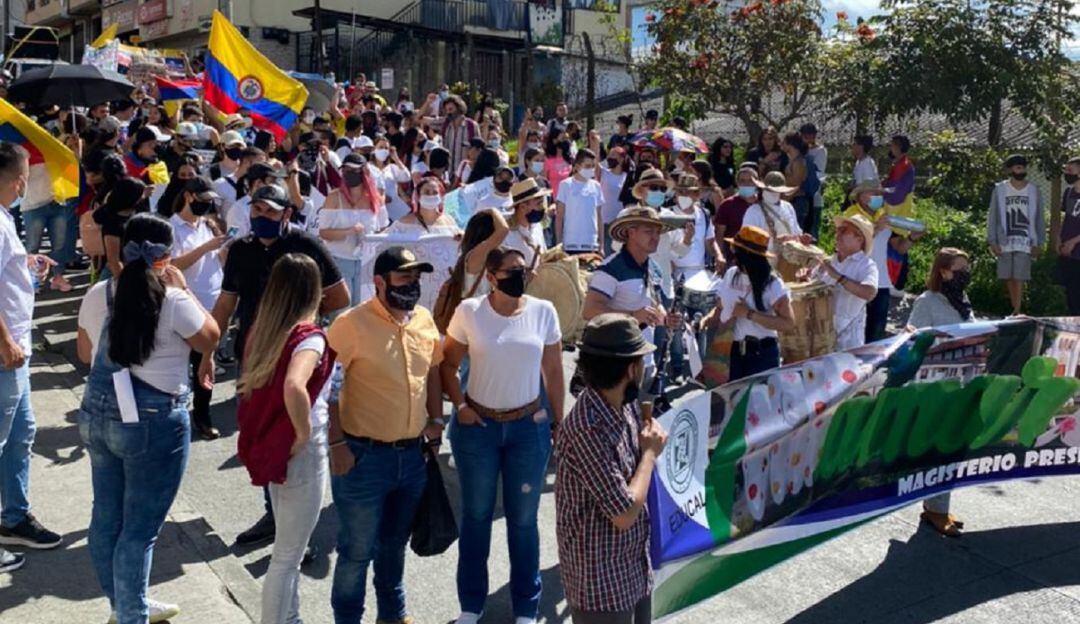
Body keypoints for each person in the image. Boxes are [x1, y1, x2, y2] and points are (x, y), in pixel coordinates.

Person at [75, 213, 220, 623]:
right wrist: (185, 288)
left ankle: (124, 604)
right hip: (153, 420)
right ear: (166, 256)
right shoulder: (173, 300)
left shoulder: (99, 293)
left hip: (97, 412)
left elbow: (85, 354)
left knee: (106, 518)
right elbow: (210, 337)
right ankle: (131, 613)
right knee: (139, 530)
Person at [201, 183, 349, 547]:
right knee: (262, 432)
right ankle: (275, 514)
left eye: (270, 210)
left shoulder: (306, 245)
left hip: (297, 354)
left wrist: (302, 318)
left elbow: (340, 296)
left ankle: (295, 531)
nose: (262, 216)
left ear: (287, 213)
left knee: (295, 438)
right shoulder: (241, 250)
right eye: (257, 210)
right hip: (253, 355)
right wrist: (207, 351)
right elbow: (226, 304)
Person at [441, 247, 565, 624]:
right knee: (477, 516)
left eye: (522, 269)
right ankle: (471, 604)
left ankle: (526, 606)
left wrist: (559, 423)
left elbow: (554, 372)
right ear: (492, 277)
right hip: (478, 429)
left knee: (523, 521)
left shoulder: (543, 311)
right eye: (511, 270)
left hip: (527, 429)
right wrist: (459, 406)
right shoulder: (469, 312)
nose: (519, 275)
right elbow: (448, 364)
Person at [326, 246, 444, 624]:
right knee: (356, 551)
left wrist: (436, 421)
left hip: (412, 457)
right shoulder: (350, 325)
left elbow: (433, 371)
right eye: (403, 276)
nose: (412, 284)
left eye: (416, 277)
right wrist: (336, 444)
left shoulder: (423, 319)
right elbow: (327, 389)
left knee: (394, 545)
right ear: (379, 282)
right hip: (363, 458)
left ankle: (393, 615)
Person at [236, 254, 336, 624]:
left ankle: (290, 618)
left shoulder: (264, 329)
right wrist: (304, 432)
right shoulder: (310, 338)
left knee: (286, 549)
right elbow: (295, 384)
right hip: (302, 448)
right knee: (288, 557)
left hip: (273, 443)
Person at [556, 314, 668, 624]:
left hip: (632, 569)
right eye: (641, 361)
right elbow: (624, 513)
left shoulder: (622, 404)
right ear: (631, 369)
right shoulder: (587, 428)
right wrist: (650, 454)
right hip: (601, 586)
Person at [0, 144, 62, 574]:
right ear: (20, 181)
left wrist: (26, 262)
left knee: (21, 435)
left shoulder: (5, 216)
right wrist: (5, 341)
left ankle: (13, 518)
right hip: (6, 350)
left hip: (15, 347)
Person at [905, 247, 974, 537]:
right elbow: (913, 340)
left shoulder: (962, 300)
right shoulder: (927, 301)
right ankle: (936, 509)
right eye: (960, 269)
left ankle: (938, 505)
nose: (965, 275)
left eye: (967, 269)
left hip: (959, 384)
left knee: (951, 447)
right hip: (934, 387)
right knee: (939, 448)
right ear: (944, 271)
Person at [169, 177, 228, 440]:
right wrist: (205, 248)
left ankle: (202, 416)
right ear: (188, 197)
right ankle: (177, 416)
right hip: (185, 304)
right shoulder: (173, 227)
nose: (206, 206)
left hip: (212, 302)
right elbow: (172, 266)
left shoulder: (208, 225)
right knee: (182, 363)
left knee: (207, 361)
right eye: (202, 201)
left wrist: (223, 249)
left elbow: (218, 261)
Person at [712, 225, 795, 380]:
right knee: (731, 396)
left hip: (761, 355)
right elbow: (720, 306)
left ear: (747, 254)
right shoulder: (731, 274)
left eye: (736, 248)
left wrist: (749, 314)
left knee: (758, 396)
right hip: (732, 352)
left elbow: (788, 323)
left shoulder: (773, 284)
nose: (732, 251)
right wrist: (705, 321)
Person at [320, 154, 389, 306]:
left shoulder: (375, 199)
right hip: (339, 260)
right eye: (345, 170)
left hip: (367, 263)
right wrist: (348, 231)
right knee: (341, 310)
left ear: (364, 172)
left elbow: (384, 229)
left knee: (364, 308)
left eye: (354, 170)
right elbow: (324, 233)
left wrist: (370, 239)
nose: (349, 174)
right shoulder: (334, 197)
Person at [810, 212, 878, 350]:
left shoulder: (867, 265)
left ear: (859, 238)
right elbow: (810, 292)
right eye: (838, 230)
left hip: (848, 344)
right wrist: (804, 279)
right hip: (819, 339)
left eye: (844, 230)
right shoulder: (828, 261)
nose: (838, 234)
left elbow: (869, 293)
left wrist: (839, 277)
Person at [988, 154, 1045, 316]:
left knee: (1020, 276)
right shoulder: (1000, 189)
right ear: (1010, 169)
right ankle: (1015, 309)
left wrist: (1039, 242)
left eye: (1023, 167)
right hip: (1004, 239)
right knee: (1008, 276)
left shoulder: (1033, 190)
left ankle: (1017, 310)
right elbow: (993, 216)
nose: (1020, 169)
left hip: (1026, 239)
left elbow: (1040, 217)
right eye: (1017, 166)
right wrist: (992, 241)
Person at [844, 183, 896, 344]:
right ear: (860, 196)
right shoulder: (851, 215)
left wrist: (911, 237)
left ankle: (875, 359)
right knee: (855, 331)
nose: (878, 197)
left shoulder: (882, 214)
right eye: (873, 193)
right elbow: (850, 245)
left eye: (879, 193)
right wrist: (876, 228)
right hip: (858, 279)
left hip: (882, 280)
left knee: (877, 332)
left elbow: (896, 246)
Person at [741, 171, 805, 258]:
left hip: (788, 260)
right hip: (763, 260)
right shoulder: (753, 211)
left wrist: (801, 238)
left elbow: (796, 232)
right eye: (769, 190)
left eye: (775, 191)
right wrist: (774, 241)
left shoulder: (788, 207)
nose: (772, 193)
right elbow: (747, 242)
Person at [97, 177, 150, 280]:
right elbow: (114, 261)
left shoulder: (134, 213)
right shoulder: (113, 224)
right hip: (117, 274)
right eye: (140, 194)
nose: (143, 197)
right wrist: (124, 283)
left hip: (134, 270)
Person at [670, 173, 720, 280]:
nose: (683, 195)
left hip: (700, 271)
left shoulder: (704, 214)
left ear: (696, 195)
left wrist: (718, 255)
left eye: (688, 192)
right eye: (680, 192)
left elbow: (710, 241)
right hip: (676, 273)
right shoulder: (668, 215)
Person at [882, 135, 916, 291]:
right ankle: (895, 281)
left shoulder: (904, 166)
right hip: (894, 210)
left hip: (898, 211)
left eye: (893, 145)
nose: (891, 147)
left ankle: (899, 283)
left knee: (899, 247)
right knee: (895, 246)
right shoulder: (898, 164)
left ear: (899, 147)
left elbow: (897, 193)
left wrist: (882, 191)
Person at [556, 149, 604, 254]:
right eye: (587, 166)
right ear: (577, 166)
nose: (591, 169)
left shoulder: (596, 186)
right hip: (571, 244)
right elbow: (559, 216)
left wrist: (601, 245)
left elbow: (599, 217)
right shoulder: (565, 185)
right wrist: (559, 243)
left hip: (591, 244)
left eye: (593, 166)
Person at [713, 164, 758, 260]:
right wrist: (720, 256)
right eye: (742, 181)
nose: (746, 184)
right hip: (734, 258)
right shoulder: (727, 205)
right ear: (737, 183)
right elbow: (720, 234)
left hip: (760, 257)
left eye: (750, 180)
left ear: (757, 182)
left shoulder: (762, 204)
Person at [504, 179, 551, 270]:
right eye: (538, 204)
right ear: (523, 207)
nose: (543, 208)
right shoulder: (507, 234)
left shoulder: (537, 227)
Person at [1058, 156, 1080, 314]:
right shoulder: (1068, 193)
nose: (1067, 173)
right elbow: (1065, 218)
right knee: (1070, 294)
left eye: (1070, 170)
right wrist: (1059, 239)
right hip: (1068, 253)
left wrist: (1074, 241)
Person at [781, 132, 812, 234]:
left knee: (795, 232)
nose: (781, 145)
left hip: (796, 201)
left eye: (784, 143)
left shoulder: (799, 162)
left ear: (790, 144)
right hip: (790, 199)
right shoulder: (792, 160)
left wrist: (785, 200)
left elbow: (797, 183)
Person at [599, 148, 630, 248]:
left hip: (619, 223)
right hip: (604, 222)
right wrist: (595, 142)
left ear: (621, 159)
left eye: (613, 155)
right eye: (609, 155)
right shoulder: (604, 173)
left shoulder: (627, 177)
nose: (609, 157)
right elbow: (594, 159)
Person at [544, 134, 574, 201]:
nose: (559, 149)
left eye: (561, 148)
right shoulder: (548, 161)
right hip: (552, 195)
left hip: (568, 195)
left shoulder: (570, 162)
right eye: (558, 147)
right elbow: (544, 178)